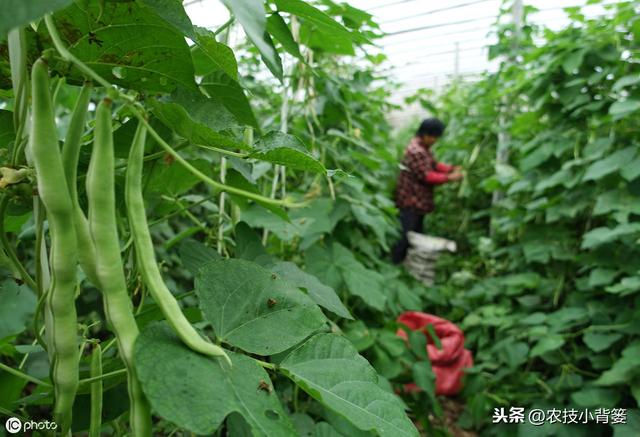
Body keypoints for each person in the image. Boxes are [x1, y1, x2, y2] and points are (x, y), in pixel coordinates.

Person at [391, 118, 463, 264]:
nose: (435, 141)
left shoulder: (422, 147)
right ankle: (395, 263)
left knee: (416, 234)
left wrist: (450, 168)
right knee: (406, 236)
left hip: (418, 200)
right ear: (425, 134)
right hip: (410, 200)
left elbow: (434, 165)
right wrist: (450, 177)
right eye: (434, 137)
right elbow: (427, 176)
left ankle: (410, 264)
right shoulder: (416, 151)